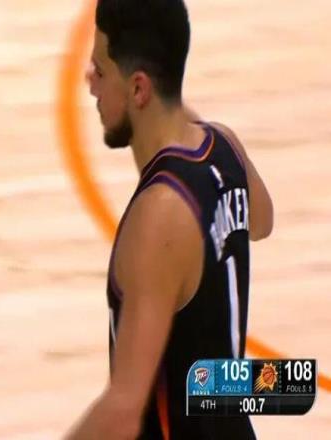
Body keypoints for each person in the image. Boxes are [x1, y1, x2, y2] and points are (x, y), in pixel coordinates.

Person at [64, 0, 273, 439]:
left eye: (100, 70)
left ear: (139, 89)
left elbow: (123, 410)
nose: (89, 81)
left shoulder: (160, 215)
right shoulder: (225, 147)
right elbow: (262, 221)